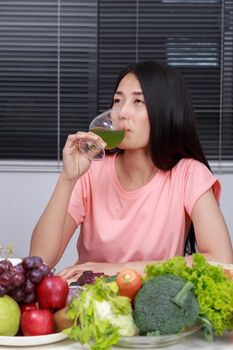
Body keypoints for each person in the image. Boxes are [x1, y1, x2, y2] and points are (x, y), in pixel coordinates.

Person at [29, 60, 233, 281]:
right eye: (118, 100)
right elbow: (40, 261)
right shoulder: (92, 172)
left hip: (154, 302)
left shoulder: (189, 174)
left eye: (138, 101)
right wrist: (67, 179)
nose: (122, 112)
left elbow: (220, 260)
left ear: (166, 110)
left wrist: (118, 269)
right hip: (92, 302)